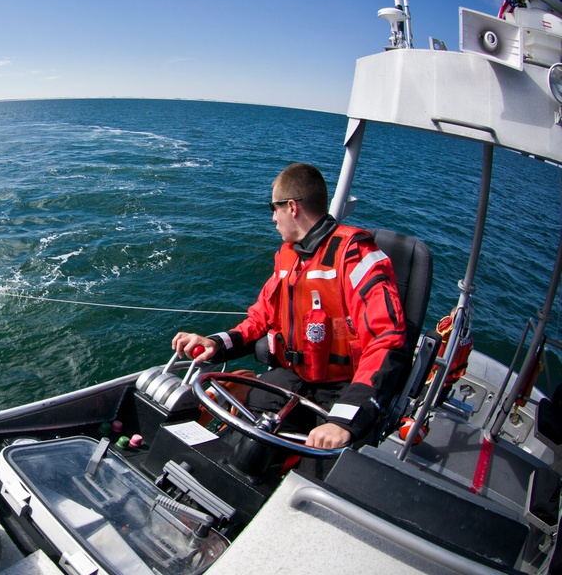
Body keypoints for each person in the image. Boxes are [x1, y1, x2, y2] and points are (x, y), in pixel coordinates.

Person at [172, 163, 408, 450]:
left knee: (320, 463)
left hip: (343, 390)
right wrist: (216, 344)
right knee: (242, 443)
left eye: (274, 208)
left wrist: (345, 420)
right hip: (297, 379)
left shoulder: (355, 257)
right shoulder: (288, 257)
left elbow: (386, 341)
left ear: (292, 207)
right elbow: (260, 319)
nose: (273, 218)